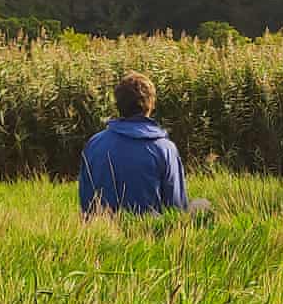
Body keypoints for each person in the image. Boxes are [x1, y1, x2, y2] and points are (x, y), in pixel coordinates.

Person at [79, 72, 202, 215]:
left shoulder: (94, 144)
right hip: (150, 232)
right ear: (150, 105)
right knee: (201, 205)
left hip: (100, 230)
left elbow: (85, 201)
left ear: (118, 105)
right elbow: (175, 207)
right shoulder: (165, 148)